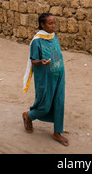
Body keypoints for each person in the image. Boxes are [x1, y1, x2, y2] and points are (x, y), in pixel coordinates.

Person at [22, 13, 69, 146]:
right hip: (45, 79)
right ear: (42, 25)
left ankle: (57, 133)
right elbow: (33, 60)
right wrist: (41, 62)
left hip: (58, 75)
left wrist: (57, 67)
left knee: (59, 103)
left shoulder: (53, 37)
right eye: (50, 23)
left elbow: (55, 53)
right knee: (45, 105)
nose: (54, 26)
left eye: (54, 23)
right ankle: (28, 115)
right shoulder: (37, 41)